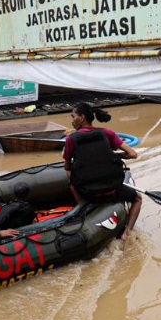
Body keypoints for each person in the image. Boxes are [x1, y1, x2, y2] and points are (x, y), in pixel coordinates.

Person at [62, 102, 142, 239]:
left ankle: (82, 206)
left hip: (88, 193)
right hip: (112, 190)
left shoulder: (71, 139)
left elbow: (67, 166)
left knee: (70, 178)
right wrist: (113, 155)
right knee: (138, 199)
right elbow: (132, 154)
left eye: (73, 116)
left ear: (81, 117)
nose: (72, 120)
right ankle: (127, 231)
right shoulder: (107, 133)